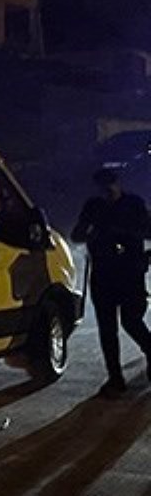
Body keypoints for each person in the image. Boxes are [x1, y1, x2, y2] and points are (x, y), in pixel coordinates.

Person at [71, 167, 151, 397]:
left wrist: (126, 236)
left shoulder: (133, 204)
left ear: (117, 183)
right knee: (107, 329)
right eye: (102, 187)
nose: (107, 191)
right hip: (104, 274)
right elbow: (77, 234)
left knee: (131, 321)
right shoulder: (94, 206)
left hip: (129, 273)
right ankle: (115, 377)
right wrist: (92, 234)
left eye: (109, 185)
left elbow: (147, 230)